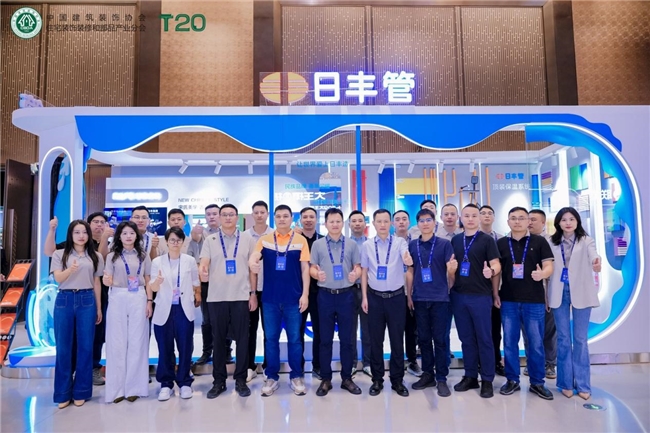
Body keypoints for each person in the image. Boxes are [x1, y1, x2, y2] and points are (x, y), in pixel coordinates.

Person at [249, 205, 310, 397]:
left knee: (295, 339)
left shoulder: (300, 240)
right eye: (279, 216)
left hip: (293, 299)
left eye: (285, 216)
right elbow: (255, 256)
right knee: (271, 339)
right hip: (270, 299)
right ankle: (271, 376)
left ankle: (296, 376)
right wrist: (252, 262)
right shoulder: (265, 240)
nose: (282, 219)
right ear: (274, 218)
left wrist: (305, 294)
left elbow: (305, 269)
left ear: (292, 218)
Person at [494, 207, 554, 400]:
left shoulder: (539, 241)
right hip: (508, 300)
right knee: (510, 343)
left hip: (534, 300)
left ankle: (537, 382)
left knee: (535, 343)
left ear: (528, 221)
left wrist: (542, 274)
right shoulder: (501, 243)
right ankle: (512, 380)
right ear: (508, 222)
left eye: (521, 218)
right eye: (513, 218)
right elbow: (497, 272)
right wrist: (495, 293)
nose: (517, 221)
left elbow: (549, 266)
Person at [200, 204, 258, 399]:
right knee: (218, 341)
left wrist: (253, 293)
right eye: (223, 214)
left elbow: (252, 269)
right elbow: (204, 262)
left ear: (236, 217)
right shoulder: (210, 240)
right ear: (219, 217)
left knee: (243, 340)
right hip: (217, 298)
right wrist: (203, 270)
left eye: (231, 214)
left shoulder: (247, 239)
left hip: (241, 296)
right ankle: (219, 381)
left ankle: (240, 380)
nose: (227, 217)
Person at [547, 207, 601, 400]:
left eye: (571, 219)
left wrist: (596, 262)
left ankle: (583, 384)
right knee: (563, 339)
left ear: (577, 221)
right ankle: (565, 383)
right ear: (558, 223)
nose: (568, 223)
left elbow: (593, 255)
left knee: (580, 339)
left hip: (581, 292)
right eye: (564, 220)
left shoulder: (586, 240)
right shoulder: (551, 242)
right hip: (558, 292)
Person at [449, 204, 501, 398]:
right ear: (461, 218)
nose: (470, 219)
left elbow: (496, 264)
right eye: (467, 216)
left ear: (479, 218)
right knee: (466, 338)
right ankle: (470, 376)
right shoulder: (455, 240)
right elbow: (451, 267)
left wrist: (491, 271)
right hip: (459, 295)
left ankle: (487, 379)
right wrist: (450, 269)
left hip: (480, 296)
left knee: (484, 338)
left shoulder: (487, 240)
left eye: (474, 215)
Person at [50, 220, 104, 408]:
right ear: (70, 235)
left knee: (86, 347)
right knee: (63, 347)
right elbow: (58, 278)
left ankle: (81, 391)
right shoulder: (59, 254)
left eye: (84, 232)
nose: (81, 236)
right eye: (77, 232)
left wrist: (98, 308)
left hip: (87, 300)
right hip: (64, 299)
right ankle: (63, 393)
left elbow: (96, 283)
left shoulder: (95, 256)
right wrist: (69, 270)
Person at [361, 209, 413, 397]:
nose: (382, 225)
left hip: (396, 298)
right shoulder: (367, 245)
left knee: (397, 340)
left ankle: (397, 380)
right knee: (376, 341)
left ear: (391, 223)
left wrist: (407, 259)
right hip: (374, 298)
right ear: (374, 223)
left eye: (385, 221)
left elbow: (406, 257)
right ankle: (377, 379)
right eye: (379, 221)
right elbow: (364, 272)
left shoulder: (399, 242)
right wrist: (365, 297)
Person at [310, 208, 362, 396]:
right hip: (325, 296)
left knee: (347, 339)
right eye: (331, 221)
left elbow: (358, 267)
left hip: (347, 296)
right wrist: (317, 274)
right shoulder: (317, 245)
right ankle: (326, 379)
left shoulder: (352, 244)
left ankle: (347, 378)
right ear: (325, 224)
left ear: (342, 223)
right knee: (325, 339)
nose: (335, 224)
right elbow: (312, 268)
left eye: (338, 221)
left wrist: (356, 273)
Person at [405, 209, 455, 397]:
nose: (425, 223)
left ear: (434, 222)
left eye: (428, 220)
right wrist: (409, 295)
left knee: (440, 340)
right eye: (421, 221)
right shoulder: (412, 245)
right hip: (419, 298)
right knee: (424, 339)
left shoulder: (444, 244)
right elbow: (410, 271)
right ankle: (428, 374)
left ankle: (441, 378)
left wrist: (452, 271)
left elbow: (451, 273)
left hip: (440, 299)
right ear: (417, 224)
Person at [102, 221, 152, 403]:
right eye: (124, 233)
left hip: (139, 296)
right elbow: (106, 278)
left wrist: (149, 301)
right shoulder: (112, 256)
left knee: (137, 341)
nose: (128, 236)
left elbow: (148, 279)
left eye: (131, 233)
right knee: (117, 342)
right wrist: (107, 281)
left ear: (136, 235)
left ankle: (135, 388)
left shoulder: (144, 255)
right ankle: (116, 390)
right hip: (118, 295)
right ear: (119, 236)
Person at [149, 227, 201, 401]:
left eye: (178, 240)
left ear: (183, 242)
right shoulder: (157, 262)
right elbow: (153, 287)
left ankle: (185, 382)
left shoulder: (189, 261)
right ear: (166, 242)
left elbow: (195, 282)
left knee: (185, 346)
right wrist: (157, 282)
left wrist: (197, 294)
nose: (175, 243)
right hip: (164, 308)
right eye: (172, 240)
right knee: (165, 348)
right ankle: (166, 384)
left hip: (183, 308)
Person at [244, 200, 274, 382]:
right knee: (249, 330)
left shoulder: (275, 235)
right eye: (256, 212)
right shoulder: (245, 236)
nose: (259, 215)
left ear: (267, 214)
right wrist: (251, 292)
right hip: (250, 290)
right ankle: (249, 366)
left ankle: (269, 366)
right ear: (252, 214)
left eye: (263, 212)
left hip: (270, 290)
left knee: (269, 331)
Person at [189, 204, 221, 367]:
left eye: (215, 213)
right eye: (208, 214)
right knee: (207, 319)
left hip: (225, 283)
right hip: (206, 283)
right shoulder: (200, 235)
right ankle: (207, 351)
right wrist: (195, 233)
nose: (212, 217)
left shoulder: (230, 234)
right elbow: (194, 252)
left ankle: (225, 352)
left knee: (225, 318)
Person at [295, 207, 324, 379]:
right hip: (298, 292)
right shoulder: (294, 240)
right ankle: (298, 367)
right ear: (300, 219)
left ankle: (318, 366)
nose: (308, 219)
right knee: (297, 331)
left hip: (320, 293)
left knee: (319, 331)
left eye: (311, 216)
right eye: (304, 217)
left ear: (316, 219)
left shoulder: (323, 240)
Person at [528, 209, 557, 379]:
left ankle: (550, 363)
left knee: (549, 331)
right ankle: (532, 363)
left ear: (543, 222)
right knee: (529, 333)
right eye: (528, 219)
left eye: (533, 219)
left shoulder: (552, 242)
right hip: (527, 294)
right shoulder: (521, 240)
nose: (529, 222)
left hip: (548, 292)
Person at [393, 210, 421, 377]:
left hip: (414, 291)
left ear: (409, 222)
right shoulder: (390, 242)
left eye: (404, 219)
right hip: (395, 292)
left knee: (412, 330)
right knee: (396, 329)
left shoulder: (417, 242)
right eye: (397, 219)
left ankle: (412, 361)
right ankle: (397, 363)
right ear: (393, 223)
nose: (401, 222)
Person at [479, 205, 506, 377]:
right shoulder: (470, 239)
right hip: (477, 290)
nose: (486, 216)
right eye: (483, 213)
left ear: (494, 218)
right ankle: (479, 363)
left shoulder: (501, 240)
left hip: (498, 288)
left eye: (490, 213)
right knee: (479, 330)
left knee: (495, 329)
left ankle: (496, 361)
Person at [348, 210, 371, 377]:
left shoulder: (371, 244)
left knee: (368, 329)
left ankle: (368, 363)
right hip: (348, 290)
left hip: (367, 290)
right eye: (354, 221)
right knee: (350, 329)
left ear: (365, 224)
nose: (357, 223)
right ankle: (352, 363)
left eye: (360, 221)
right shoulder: (344, 244)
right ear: (349, 224)